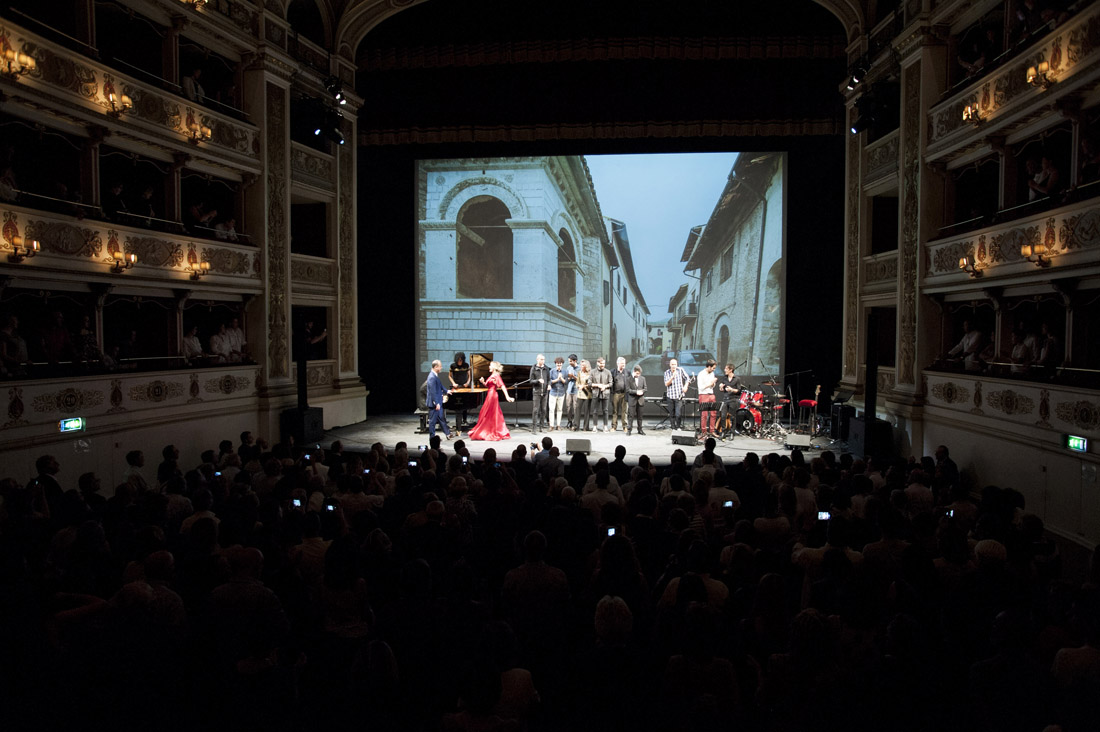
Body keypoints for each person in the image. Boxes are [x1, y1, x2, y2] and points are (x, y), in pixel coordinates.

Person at [468, 360, 514, 441]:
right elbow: (488, 385)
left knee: (490, 413)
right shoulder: (492, 375)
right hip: (490, 395)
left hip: (492, 396)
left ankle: (491, 431)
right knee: (487, 413)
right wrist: (483, 382)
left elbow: (502, 386)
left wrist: (507, 397)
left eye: (490, 365)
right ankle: (487, 430)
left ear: (494, 367)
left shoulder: (496, 375)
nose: (489, 367)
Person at [425, 359, 456, 440]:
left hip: (438, 402)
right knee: (432, 422)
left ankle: (448, 434)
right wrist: (436, 403)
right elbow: (433, 391)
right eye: (440, 366)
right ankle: (432, 438)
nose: (441, 368)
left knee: (441, 419)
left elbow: (440, 386)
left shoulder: (435, 375)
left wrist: (447, 391)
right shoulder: (432, 377)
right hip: (435, 404)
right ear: (435, 367)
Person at [715, 363, 741, 439]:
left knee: (732, 417)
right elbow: (722, 390)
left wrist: (731, 389)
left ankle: (732, 432)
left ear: (730, 370)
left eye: (726, 369)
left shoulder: (737, 379)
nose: (725, 370)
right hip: (725, 399)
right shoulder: (724, 378)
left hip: (733, 399)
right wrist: (721, 387)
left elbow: (739, 390)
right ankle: (723, 431)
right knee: (723, 416)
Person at [664, 358, 691, 430]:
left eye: (675, 364)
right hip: (670, 396)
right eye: (672, 364)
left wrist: (686, 386)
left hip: (679, 396)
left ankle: (678, 427)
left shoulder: (680, 370)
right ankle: (673, 427)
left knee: (678, 413)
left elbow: (687, 378)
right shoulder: (667, 372)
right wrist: (672, 377)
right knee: (671, 413)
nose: (673, 366)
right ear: (670, 365)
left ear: (677, 364)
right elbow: (666, 384)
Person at [696, 359, 718, 438]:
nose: (713, 370)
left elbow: (713, 385)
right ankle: (704, 432)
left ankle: (712, 431)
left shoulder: (712, 373)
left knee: (713, 414)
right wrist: (710, 384)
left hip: (711, 394)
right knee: (704, 415)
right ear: (709, 366)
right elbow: (700, 387)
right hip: (703, 395)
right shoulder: (701, 374)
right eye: (713, 368)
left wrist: (713, 384)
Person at [590, 357, 613, 432]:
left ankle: (605, 426)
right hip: (595, 393)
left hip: (605, 393)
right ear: (597, 363)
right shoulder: (592, 372)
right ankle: (594, 426)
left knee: (605, 410)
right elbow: (589, 383)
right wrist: (598, 385)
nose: (602, 365)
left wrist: (605, 386)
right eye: (601, 363)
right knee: (595, 411)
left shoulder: (608, 372)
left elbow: (611, 383)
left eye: (603, 363)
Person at [529, 353, 550, 433]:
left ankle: (541, 426)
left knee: (544, 410)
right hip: (536, 392)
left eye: (544, 359)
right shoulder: (533, 368)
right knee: (535, 410)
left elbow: (549, 379)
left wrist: (549, 385)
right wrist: (538, 381)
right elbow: (531, 381)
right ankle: (534, 428)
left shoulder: (546, 368)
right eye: (541, 359)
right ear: (537, 359)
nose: (543, 361)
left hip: (545, 392)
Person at [626, 364, 647, 436]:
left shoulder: (643, 378)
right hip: (632, 400)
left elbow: (645, 388)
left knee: (640, 416)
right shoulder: (629, 379)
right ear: (634, 372)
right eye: (637, 373)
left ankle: (640, 429)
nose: (638, 375)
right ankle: (629, 430)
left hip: (640, 400)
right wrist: (636, 392)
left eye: (639, 373)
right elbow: (628, 390)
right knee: (631, 416)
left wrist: (642, 391)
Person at [548, 356, 568, 431]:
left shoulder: (565, 372)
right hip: (553, 392)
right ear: (555, 364)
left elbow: (566, 382)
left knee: (559, 409)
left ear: (562, 364)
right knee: (551, 409)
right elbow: (549, 381)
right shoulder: (552, 371)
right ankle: (551, 425)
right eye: (557, 364)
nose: (559, 366)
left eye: (560, 364)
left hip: (561, 393)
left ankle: (558, 425)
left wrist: (561, 378)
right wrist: (557, 379)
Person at [611, 356, 629, 431]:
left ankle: (625, 426)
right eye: (622, 363)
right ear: (617, 363)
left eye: (624, 363)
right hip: (616, 394)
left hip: (624, 394)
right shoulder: (613, 372)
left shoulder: (628, 372)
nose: (623, 364)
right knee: (615, 411)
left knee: (625, 411)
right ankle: (614, 426)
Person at [575, 359, 593, 431]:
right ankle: (576, 426)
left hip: (587, 394)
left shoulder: (590, 374)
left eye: (583, 365)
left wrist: (584, 386)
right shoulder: (579, 373)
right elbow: (577, 382)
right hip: (580, 394)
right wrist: (578, 386)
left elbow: (590, 384)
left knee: (587, 411)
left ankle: (586, 427)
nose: (581, 367)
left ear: (587, 366)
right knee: (577, 410)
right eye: (581, 365)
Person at [564, 354, 579, 430]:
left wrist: (573, 376)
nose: (569, 362)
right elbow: (567, 378)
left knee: (575, 407)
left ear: (575, 361)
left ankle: (575, 422)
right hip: (569, 389)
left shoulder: (579, 368)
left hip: (576, 390)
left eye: (570, 361)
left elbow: (580, 379)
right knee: (568, 406)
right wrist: (569, 378)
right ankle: (569, 421)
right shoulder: (568, 368)